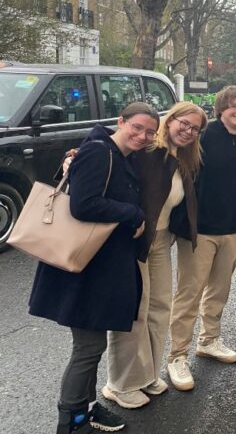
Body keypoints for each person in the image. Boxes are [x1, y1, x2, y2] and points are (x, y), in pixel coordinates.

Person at [29, 103, 157, 434]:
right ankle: (70, 420)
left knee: (91, 344)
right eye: (137, 127)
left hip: (98, 265)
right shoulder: (100, 151)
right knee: (88, 347)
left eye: (150, 132)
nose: (143, 136)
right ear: (121, 122)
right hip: (84, 269)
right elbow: (83, 204)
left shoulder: (116, 153)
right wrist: (134, 214)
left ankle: (86, 409)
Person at [102, 102, 206, 409]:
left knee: (160, 307)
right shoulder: (146, 150)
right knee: (134, 312)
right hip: (133, 240)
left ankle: (146, 374)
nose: (188, 131)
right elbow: (112, 148)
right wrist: (74, 157)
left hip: (161, 240)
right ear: (170, 120)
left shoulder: (185, 158)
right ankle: (119, 384)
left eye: (195, 128)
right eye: (183, 124)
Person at [167, 86, 236, 391]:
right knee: (189, 293)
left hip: (235, 228)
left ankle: (209, 340)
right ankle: (177, 355)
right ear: (221, 109)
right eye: (234, 106)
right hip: (200, 230)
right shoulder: (203, 136)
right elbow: (166, 154)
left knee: (219, 289)